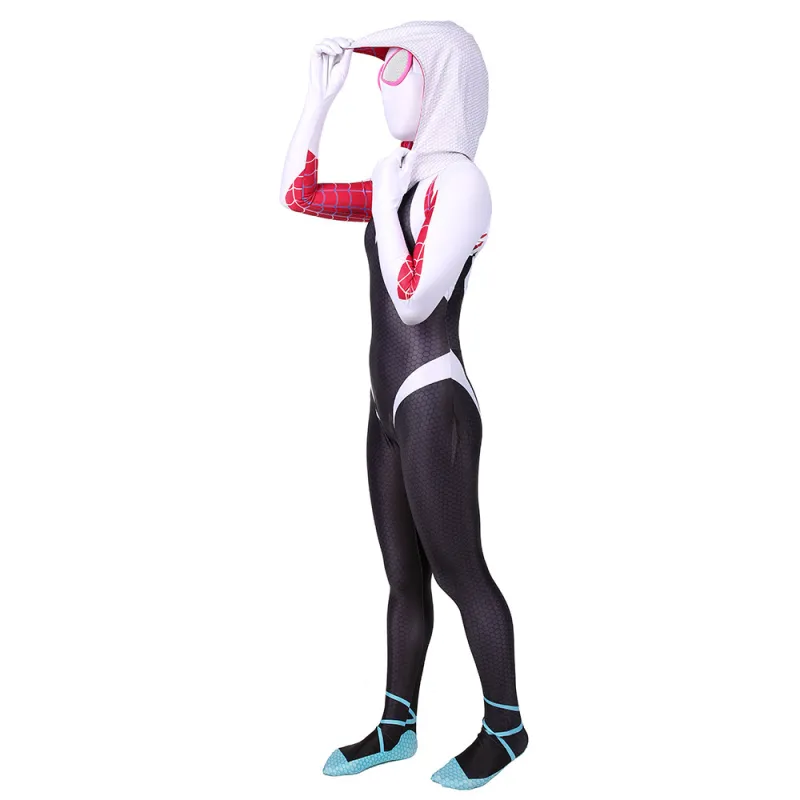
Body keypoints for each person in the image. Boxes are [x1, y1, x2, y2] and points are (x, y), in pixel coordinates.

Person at [279, 20, 527, 790]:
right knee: (402, 577)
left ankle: (507, 727)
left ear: (444, 81)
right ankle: (397, 725)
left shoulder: (462, 185)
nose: (386, 86)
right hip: (385, 405)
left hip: (433, 400)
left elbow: (414, 299)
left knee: (461, 572)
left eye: (400, 69)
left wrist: (387, 210)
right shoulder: (403, 174)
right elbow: (300, 194)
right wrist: (319, 102)